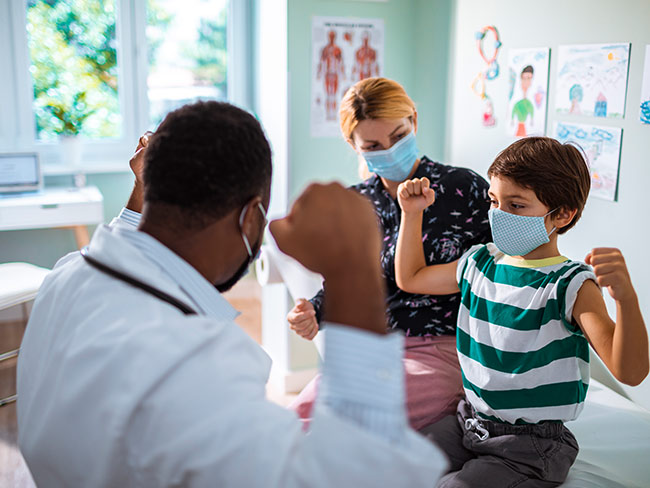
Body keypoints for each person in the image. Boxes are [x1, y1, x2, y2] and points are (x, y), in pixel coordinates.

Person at [16, 101, 448, 487]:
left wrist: (142, 187)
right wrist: (354, 269)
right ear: (250, 219)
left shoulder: (67, 276)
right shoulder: (194, 364)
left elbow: (120, 240)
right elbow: (360, 472)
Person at [394, 136, 649, 487]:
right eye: (494, 202)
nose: (499, 216)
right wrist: (411, 214)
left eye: (516, 206)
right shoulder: (479, 263)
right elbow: (411, 277)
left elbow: (630, 371)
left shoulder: (570, 285)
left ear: (562, 214)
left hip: (531, 445)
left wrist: (626, 299)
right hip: (469, 420)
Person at [287, 77, 492, 430]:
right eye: (374, 145)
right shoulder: (354, 204)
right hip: (374, 352)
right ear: (355, 147)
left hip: (447, 350)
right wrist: (313, 311)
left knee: (331, 427)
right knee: (296, 418)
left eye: (398, 136)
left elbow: (500, 271)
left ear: (414, 121)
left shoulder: (464, 188)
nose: (390, 150)